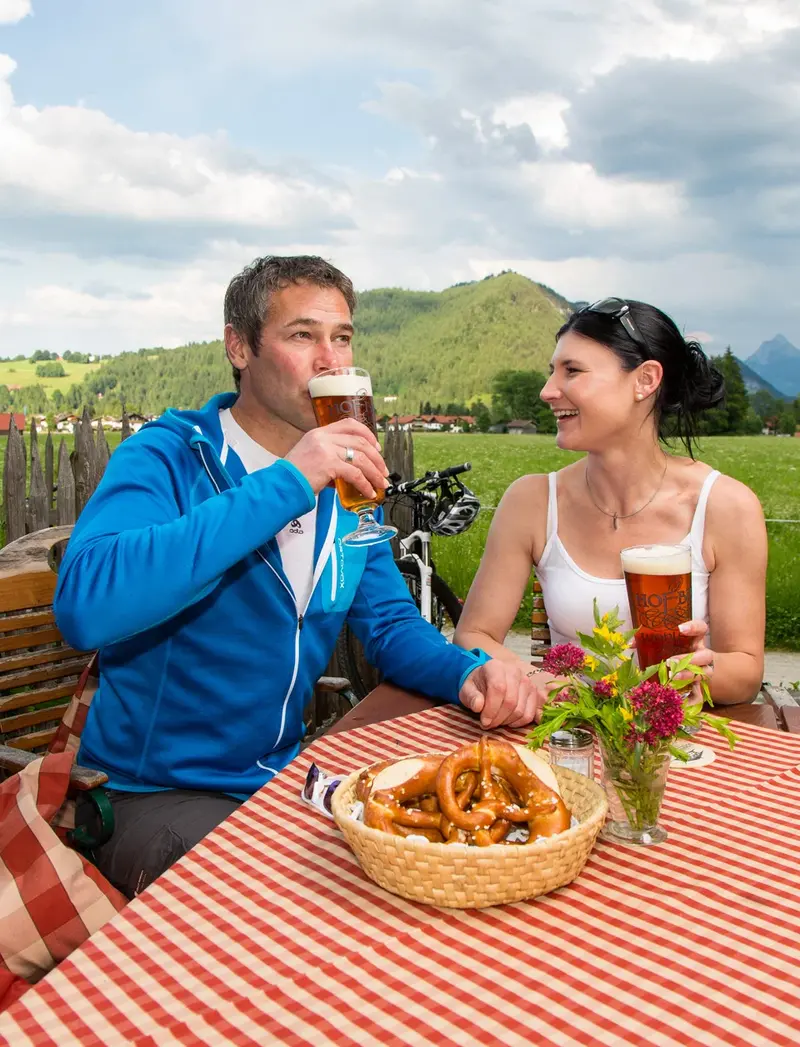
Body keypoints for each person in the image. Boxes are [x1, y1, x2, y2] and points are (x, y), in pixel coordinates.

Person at [54, 255, 542, 898]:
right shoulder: (171, 454)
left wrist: (468, 672)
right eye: (302, 335)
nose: (330, 360)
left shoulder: (343, 486)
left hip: (278, 778)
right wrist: (288, 481)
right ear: (239, 347)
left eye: (342, 337)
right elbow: (87, 605)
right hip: (152, 793)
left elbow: (391, 626)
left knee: (443, 857)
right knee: (302, 909)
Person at [454, 297, 767, 706]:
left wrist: (702, 672)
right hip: (565, 739)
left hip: (672, 749)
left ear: (645, 380)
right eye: (553, 372)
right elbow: (473, 635)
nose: (548, 391)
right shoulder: (531, 500)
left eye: (573, 371)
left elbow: (745, 670)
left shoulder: (725, 505)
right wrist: (542, 685)